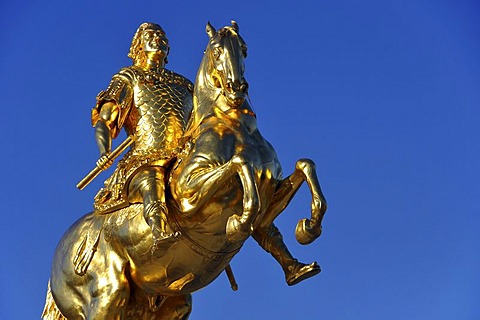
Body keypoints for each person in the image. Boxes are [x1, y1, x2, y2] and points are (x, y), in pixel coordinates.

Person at [91, 22, 193, 250]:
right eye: (151, 35)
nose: (158, 38)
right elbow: (105, 121)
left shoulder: (185, 85)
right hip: (145, 158)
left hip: (183, 157)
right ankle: (160, 230)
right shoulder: (128, 77)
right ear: (138, 46)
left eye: (163, 36)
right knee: (151, 179)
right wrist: (104, 151)